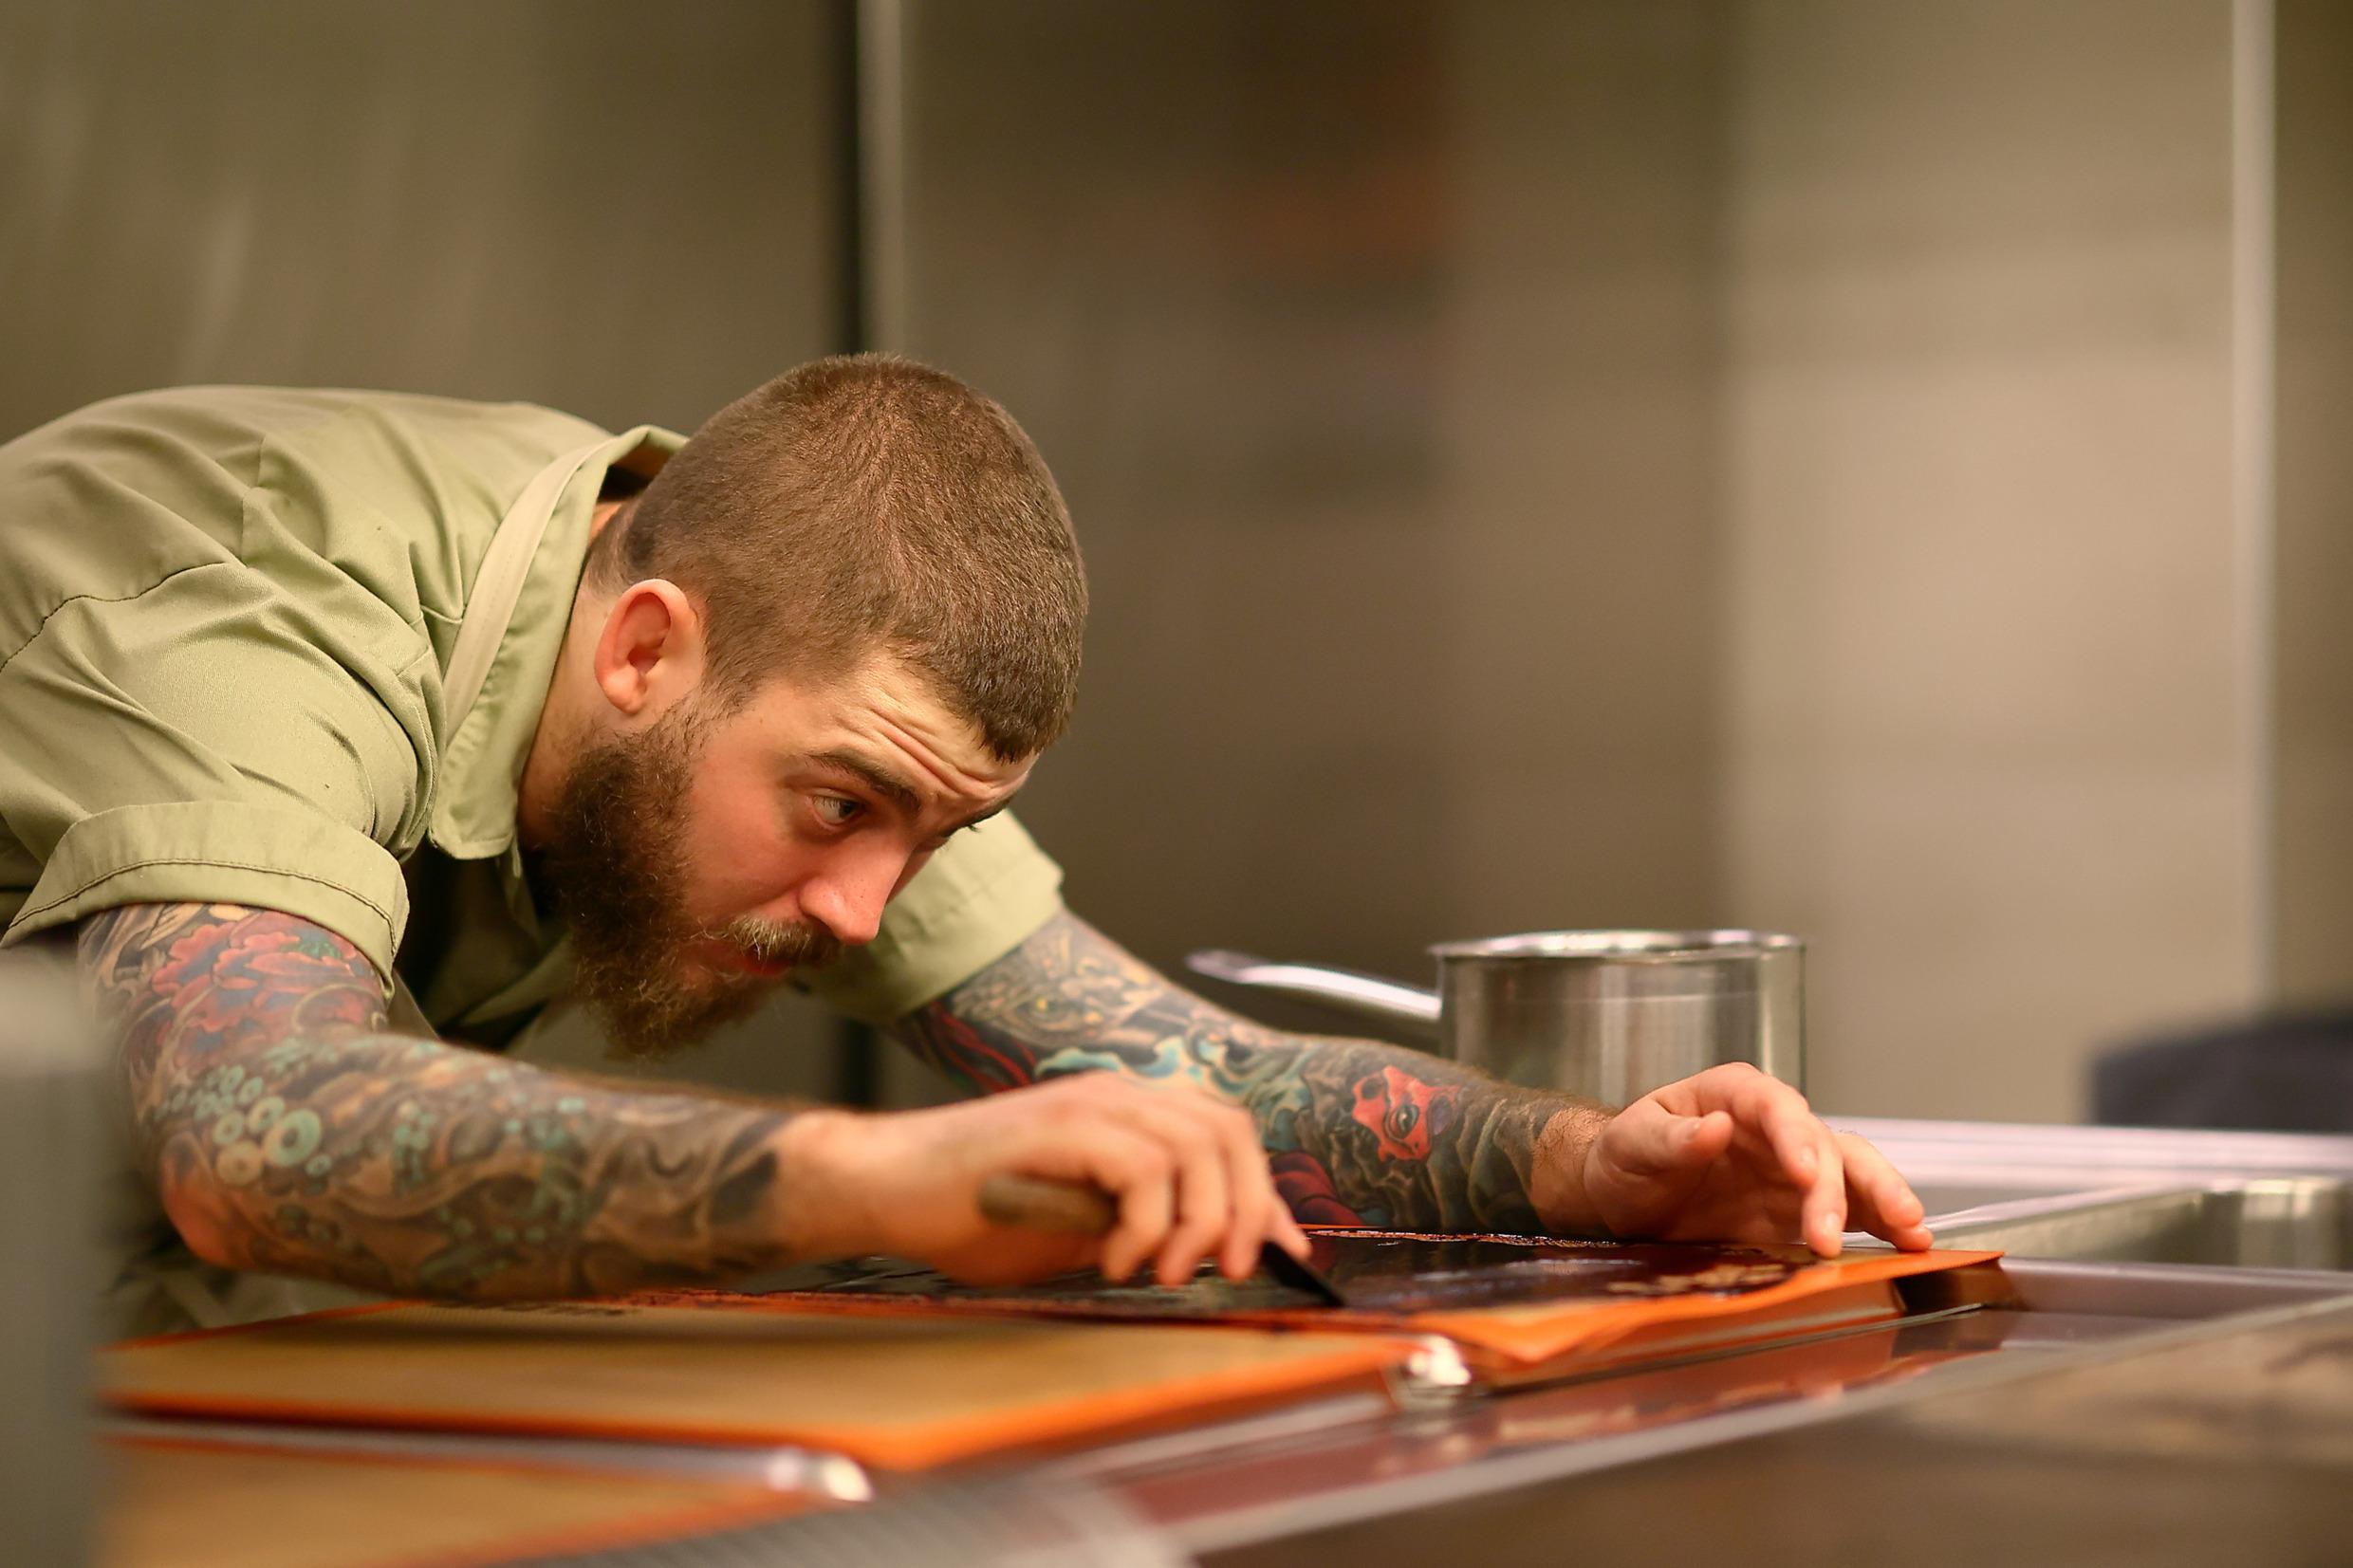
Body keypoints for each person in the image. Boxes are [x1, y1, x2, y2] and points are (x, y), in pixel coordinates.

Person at [0, 357, 1931, 1337]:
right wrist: (871, 1174)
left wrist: (1588, 1165)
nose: (859, 907)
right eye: (839, 806)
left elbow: (1181, 1075)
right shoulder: (248, 602)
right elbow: (257, 1137)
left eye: (927, 834)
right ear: (646, 649)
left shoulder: (746, 638)